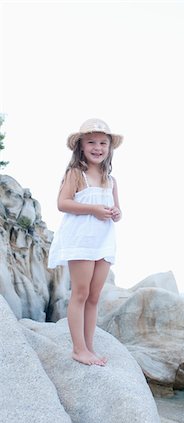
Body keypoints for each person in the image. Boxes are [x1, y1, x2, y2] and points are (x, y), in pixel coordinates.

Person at [48, 118, 123, 366]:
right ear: (81, 145)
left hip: (103, 241)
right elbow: (63, 203)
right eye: (91, 142)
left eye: (103, 143)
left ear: (109, 148)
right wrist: (93, 209)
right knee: (80, 293)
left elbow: (118, 211)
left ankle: (89, 347)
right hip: (81, 241)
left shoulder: (111, 180)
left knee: (94, 296)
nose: (97, 147)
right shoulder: (75, 174)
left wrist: (114, 213)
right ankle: (78, 349)